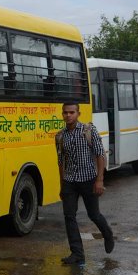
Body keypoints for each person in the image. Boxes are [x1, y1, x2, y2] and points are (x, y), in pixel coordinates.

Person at [55, 102, 114, 265]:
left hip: (89, 179)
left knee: (93, 214)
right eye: (65, 113)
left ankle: (107, 234)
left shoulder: (88, 131)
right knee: (69, 216)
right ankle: (77, 254)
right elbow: (60, 161)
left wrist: (100, 180)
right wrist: (62, 185)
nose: (68, 115)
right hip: (69, 181)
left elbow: (100, 155)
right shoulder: (60, 136)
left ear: (78, 114)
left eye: (71, 112)